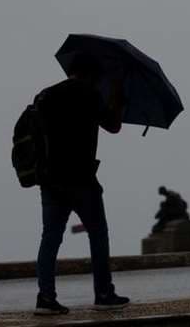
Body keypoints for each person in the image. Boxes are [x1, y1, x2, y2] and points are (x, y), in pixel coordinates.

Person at [33, 53, 129, 315]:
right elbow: (113, 125)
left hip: (50, 179)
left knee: (50, 237)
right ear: (91, 75)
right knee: (98, 233)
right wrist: (118, 94)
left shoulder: (45, 96)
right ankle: (103, 292)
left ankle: (45, 297)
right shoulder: (89, 94)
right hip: (81, 179)